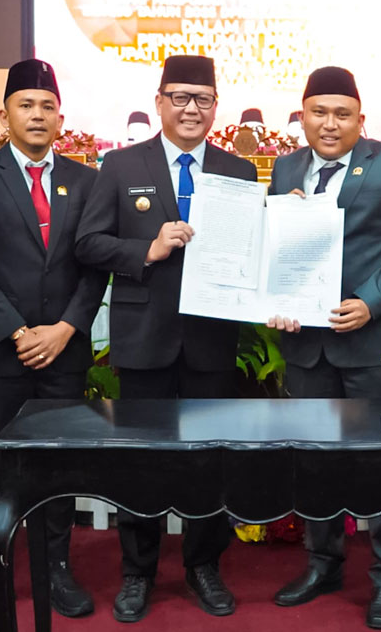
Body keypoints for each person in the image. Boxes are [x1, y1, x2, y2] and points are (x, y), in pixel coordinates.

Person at [75, 54, 256, 624]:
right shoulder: (121, 166)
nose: (191, 109)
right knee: (142, 462)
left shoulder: (239, 170)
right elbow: (87, 243)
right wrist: (144, 251)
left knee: (209, 462)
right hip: (145, 339)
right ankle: (138, 571)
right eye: (179, 97)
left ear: (215, 107)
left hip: (210, 342)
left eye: (202, 99)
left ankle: (204, 566)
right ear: (159, 102)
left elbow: (252, 251)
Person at [267, 66, 381, 630]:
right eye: (319, 112)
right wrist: (279, 296)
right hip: (306, 349)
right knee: (314, 463)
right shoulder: (286, 168)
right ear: (303, 115)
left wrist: (369, 300)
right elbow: (275, 252)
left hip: (372, 343)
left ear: (361, 119)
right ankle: (324, 564)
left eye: (343, 114)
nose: (330, 123)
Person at [0, 59, 108, 627]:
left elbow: (95, 270)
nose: (37, 115)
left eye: (46, 106)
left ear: (61, 117)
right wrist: (19, 332)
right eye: (26, 105)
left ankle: (56, 569)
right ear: (4, 115)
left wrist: (63, 329)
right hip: (0, 355)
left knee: (57, 470)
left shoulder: (87, 181)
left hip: (63, 351)